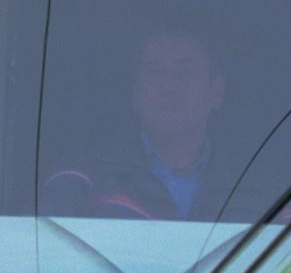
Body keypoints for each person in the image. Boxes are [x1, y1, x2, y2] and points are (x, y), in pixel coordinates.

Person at [44, 24, 228, 223]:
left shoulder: (258, 187)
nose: (168, 86)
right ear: (135, 95)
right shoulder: (80, 184)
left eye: (185, 72)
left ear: (216, 93)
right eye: (154, 72)